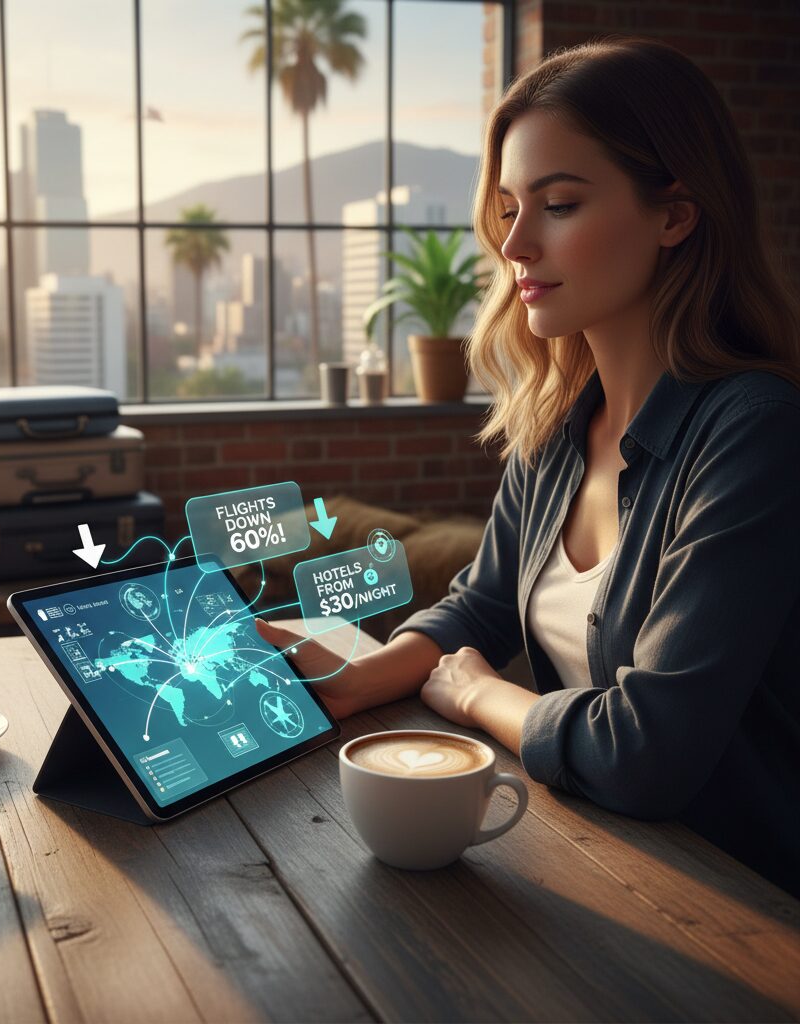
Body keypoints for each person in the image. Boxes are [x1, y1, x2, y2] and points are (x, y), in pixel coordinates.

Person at [256, 35, 800, 898]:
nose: (515, 246)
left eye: (560, 204)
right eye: (509, 208)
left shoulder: (757, 434)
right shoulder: (556, 430)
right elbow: (483, 600)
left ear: (675, 215)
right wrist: (359, 679)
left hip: (744, 907)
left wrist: (475, 697)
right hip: (602, 865)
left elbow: (646, 752)